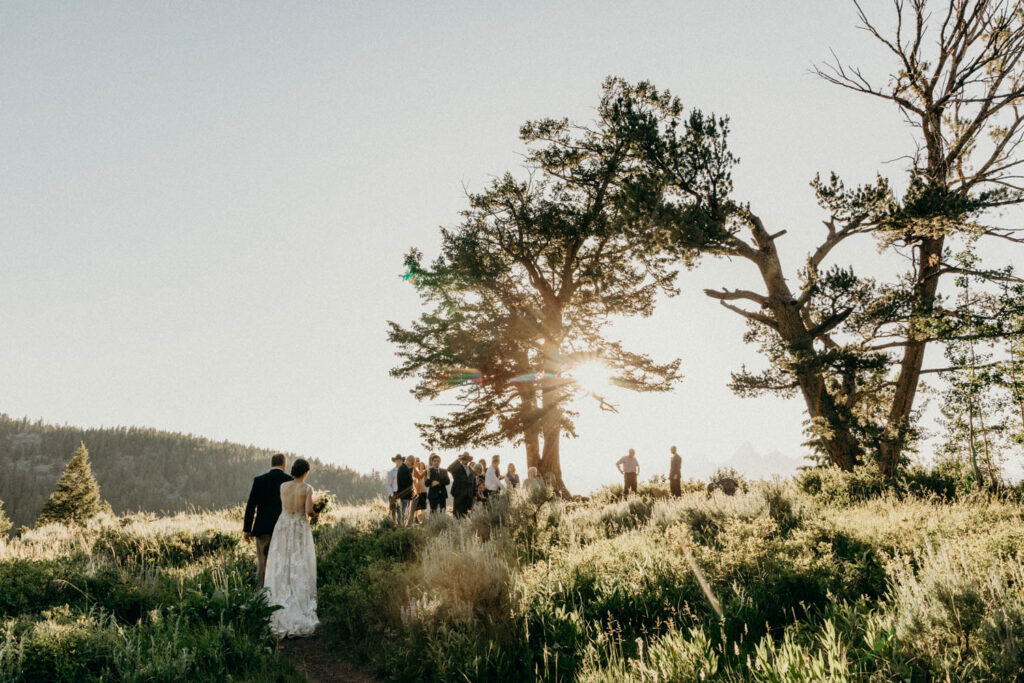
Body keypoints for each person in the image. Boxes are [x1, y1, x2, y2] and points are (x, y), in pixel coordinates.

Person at [264, 458, 320, 638]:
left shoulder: (283, 487)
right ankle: (298, 602)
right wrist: (318, 511)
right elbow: (308, 512)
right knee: (299, 562)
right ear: (306, 472)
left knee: (282, 562)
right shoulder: (307, 488)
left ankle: (279, 598)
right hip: (298, 527)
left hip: (283, 525)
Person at [243, 453, 293, 588]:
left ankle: (261, 596)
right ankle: (278, 594)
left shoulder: (259, 480)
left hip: (262, 528)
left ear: (271, 464)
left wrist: (247, 529)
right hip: (282, 529)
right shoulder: (289, 481)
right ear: (284, 464)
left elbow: (251, 506)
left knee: (263, 564)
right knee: (281, 563)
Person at [448, 452, 475, 517]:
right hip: (458, 494)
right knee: (457, 514)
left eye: (467, 458)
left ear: (469, 460)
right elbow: (449, 468)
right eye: (464, 458)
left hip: (468, 496)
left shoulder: (470, 469)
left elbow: (473, 483)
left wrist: (473, 494)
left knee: (464, 515)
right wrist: (458, 459)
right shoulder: (457, 467)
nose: (466, 460)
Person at [385, 454, 403, 521]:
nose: (399, 461)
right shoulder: (391, 472)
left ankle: (401, 526)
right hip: (394, 493)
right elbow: (387, 484)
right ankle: (393, 525)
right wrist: (392, 494)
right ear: (395, 461)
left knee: (402, 511)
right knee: (394, 511)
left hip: (403, 493)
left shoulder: (405, 472)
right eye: (398, 460)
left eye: (400, 460)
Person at [397, 455, 414, 523]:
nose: (411, 464)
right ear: (408, 460)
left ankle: (402, 524)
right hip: (404, 493)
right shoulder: (403, 468)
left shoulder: (403, 468)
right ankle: (401, 525)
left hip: (404, 493)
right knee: (403, 510)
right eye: (411, 462)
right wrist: (412, 481)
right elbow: (403, 481)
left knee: (404, 509)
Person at [410, 458, 427, 523]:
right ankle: (414, 519)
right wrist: (424, 472)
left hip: (418, 490)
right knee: (415, 506)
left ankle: (416, 519)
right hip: (415, 490)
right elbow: (419, 478)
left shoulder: (415, 469)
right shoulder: (414, 470)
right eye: (418, 462)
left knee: (418, 505)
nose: (418, 464)